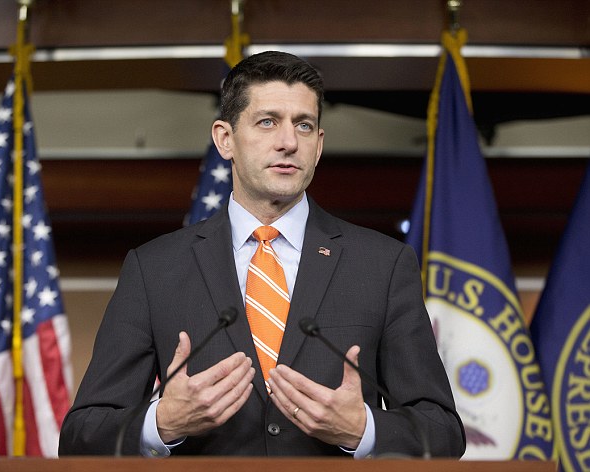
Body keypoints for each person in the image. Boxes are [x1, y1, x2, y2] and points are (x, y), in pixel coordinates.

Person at [58, 51, 465, 458]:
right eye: (267, 121)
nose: (288, 142)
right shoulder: (154, 269)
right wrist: (161, 423)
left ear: (318, 145)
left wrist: (364, 429)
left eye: (303, 125)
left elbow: (443, 432)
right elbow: (80, 436)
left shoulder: (383, 265)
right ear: (225, 139)